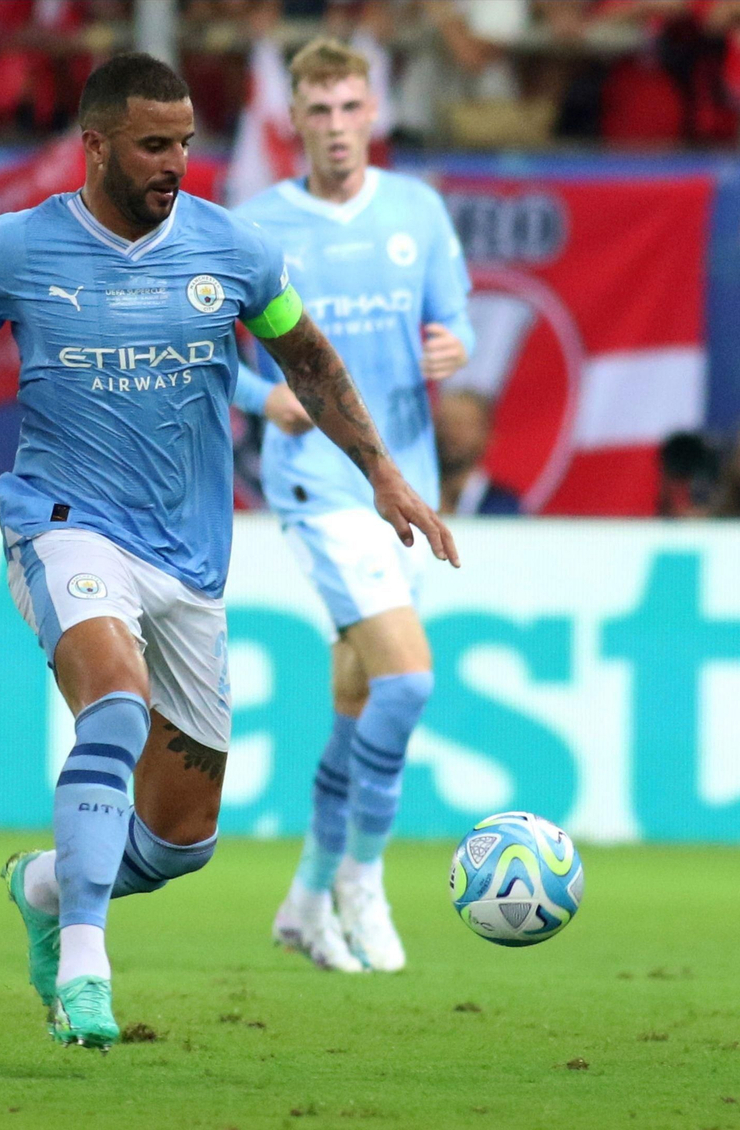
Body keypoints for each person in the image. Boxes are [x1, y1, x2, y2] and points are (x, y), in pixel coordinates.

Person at [0, 52, 456, 1050]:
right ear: (94, 144)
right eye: (153, 143)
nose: (174, 162)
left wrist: (382, 472)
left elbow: (309, 361)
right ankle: (86, 967)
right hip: (62, 521)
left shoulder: (230, 251)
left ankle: (48, 885)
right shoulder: (15, 249)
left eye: (186, 141)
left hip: (188, 560)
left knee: (181, 840)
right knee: (113, 698)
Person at [231, 38, 474, 974]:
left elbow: (457, 325)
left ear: (375, 113)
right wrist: (265, 398)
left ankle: (302, 898)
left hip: (406, 478)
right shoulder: (255, 227)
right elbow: (202, 358)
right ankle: (363, 882)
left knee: (358, 695)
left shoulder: (416, 210)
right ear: (293, 120)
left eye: (349, 109)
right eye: (318, 112)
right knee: (408, 682)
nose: (336, 129)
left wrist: (457, 351)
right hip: (319, 481)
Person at [435, 389, 521, 515]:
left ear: (487, 435)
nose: (451, 433)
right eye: (444, 423)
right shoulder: (413, 498)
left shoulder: (504, 507)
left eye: (463, 425)